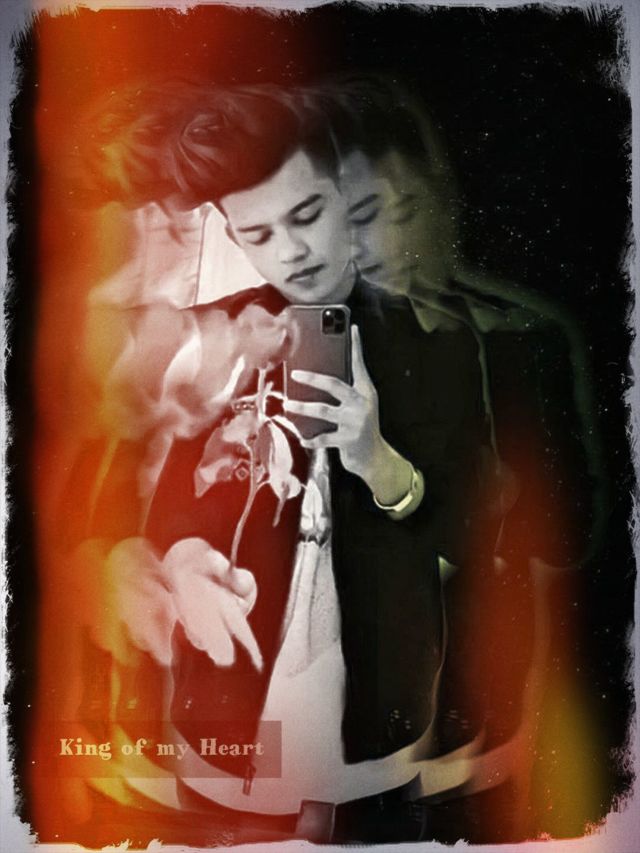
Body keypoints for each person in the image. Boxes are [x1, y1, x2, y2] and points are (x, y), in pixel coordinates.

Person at [132, 86, 500, 844]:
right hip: (234, 680)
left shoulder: (438, 342)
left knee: (362, 822)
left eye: (306, 215)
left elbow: (470, 534)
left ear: (343, 197)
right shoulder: (222, 336)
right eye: (258, 232)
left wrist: (379, 461)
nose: (291, 251)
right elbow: (171, 509)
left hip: (378, 681)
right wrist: (186, 558)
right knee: (242, 825)